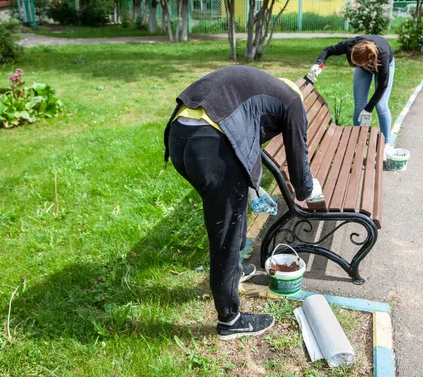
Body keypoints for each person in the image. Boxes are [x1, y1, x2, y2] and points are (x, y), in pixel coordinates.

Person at [163, 65, 322, 340]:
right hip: (210, 146)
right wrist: (309, 190)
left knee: (231, 211)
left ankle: (234, 271)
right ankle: (230, 320)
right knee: (225, 232)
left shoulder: (262, 86)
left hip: (179, 138)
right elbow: (299, 160)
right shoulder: (293, 101)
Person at [307, 35, 395, 148]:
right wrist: (319, 64)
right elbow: (328, 50)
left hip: (383, 64)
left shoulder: (382, 56)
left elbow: (382, 86)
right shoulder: (351, 45)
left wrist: (369, 109)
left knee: (381, 105)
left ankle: (386, 143)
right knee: (359, 105)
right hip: (364, 62)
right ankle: (357, 141)